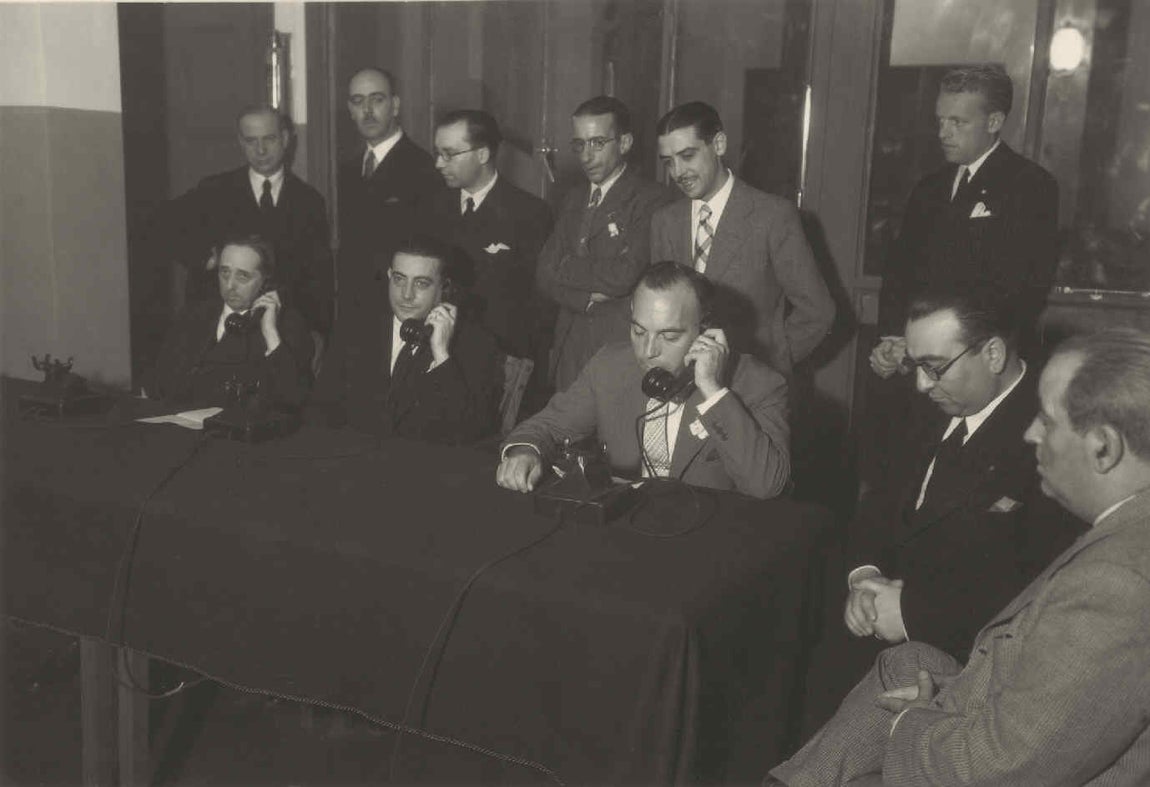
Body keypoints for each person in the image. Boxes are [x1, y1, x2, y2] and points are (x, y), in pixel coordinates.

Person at [770, 329, 1150, 786]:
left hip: (983, 769)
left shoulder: (1116, 583)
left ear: (1103, 447)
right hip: (999, 718)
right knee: (906, 662)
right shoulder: (1126, 527)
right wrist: (947, 699)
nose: (1030, 433)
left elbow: (994, 769)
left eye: (1047, 421)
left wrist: (908, 724)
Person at [864, 66, 1060, 485]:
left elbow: (1019, 291)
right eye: (940, 120)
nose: (944, 132)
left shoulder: (1030, 186)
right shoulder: (929, 188)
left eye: (958, 122)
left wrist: (947, 347)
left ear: (993, 122)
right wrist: (892, 338)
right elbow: (900, 274)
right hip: (918, 369)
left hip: (977, 371)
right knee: (903, 478)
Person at [498, 261, 790, 500]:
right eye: (639, 332)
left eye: (669, 336)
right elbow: (546, 427)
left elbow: (766, 485)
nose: (648, 352)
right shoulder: (610, 365)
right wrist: (526, 452)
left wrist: (713, 392)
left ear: (706, 331)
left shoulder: (759, 384)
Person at [651, 101, 834, 374]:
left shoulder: (773, 216)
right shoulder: (664, 221)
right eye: (669, 162)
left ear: (719, 145)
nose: (678, 172)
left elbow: (818, 313)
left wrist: (768, 366)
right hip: (680, 383)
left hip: (747, 387)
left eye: (687, 155)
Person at [157, 105, 333, 336]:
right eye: (251, 141)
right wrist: (204, 259)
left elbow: (317, 279)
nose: (261, 150)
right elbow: (160, 225)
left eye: (269, 139)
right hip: (219, 324)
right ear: (241, 142)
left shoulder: (309, 201)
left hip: (282, 326)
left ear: (286, 138)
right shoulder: (215, 190)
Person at [310, 235, 502, 444]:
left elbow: (471, 433)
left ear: (444, 288)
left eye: (421, 283)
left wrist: (441, 354)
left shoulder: (475, 343)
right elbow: (321, 409)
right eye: (399, 279)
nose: (406, 295)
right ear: (389, 275)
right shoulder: (355, 329)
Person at [536, 96, 672, 392]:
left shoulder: (651, 199)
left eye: (598, 143)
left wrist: (567, 266)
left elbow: (623, 276)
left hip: (617, 344)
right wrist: (583, 298)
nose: (586, 156)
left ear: (624, 143)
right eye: (579, 144)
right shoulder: (571, 197)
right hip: (568, 344)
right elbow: (544, 272)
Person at [427, 110, 553, 399]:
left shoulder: (530, 214)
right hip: (439, 349)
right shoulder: (432, 207)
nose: (438, 163)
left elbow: (540, 306)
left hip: (501, 364)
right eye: (437, 153)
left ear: (482, 154)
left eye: (449, 154)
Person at [144, 235, 313, 409]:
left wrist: (270, 332)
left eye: (243, 276)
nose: (230, 285)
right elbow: (159, 383)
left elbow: (294, 399)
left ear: (265, 281)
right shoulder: (193, 316)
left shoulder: (286, 326)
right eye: (225, 273)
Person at [337, 68, 440, 316]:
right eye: (358, 101)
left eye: (377, 99)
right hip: (354, 306)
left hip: (401, 308)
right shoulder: (348, 169)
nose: (368, 111)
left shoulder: (424, 168)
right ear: (350, 110)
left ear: (394, 106)